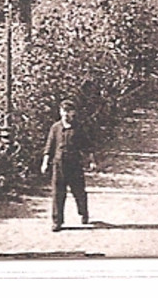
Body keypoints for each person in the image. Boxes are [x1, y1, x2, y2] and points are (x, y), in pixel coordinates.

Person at [42, 99, 89, 231]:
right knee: (57, 193)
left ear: (73, 112)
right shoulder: (55, 128)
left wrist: (91, 160)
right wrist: (45, 162)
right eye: (63, 111)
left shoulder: (79, 128)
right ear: (60, 112)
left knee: (79, 192)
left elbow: (86, 145)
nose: (66, 115)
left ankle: (83, 213)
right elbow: (49, 146)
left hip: (75, 165)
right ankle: (57, 221)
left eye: (69, 111)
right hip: (59, 165)